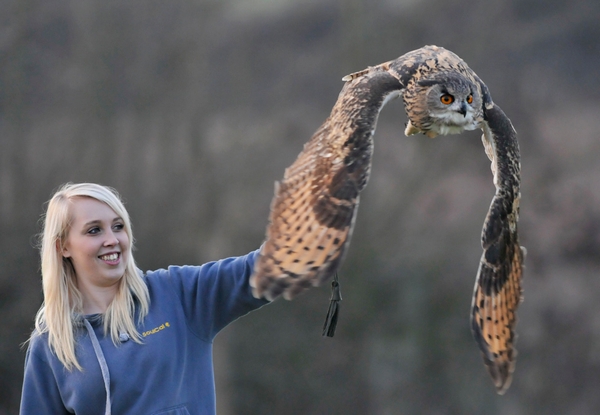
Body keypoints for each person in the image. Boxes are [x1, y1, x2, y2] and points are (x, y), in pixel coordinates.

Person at [20, 182, 270, 414]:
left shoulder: (177, 294)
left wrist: (305, 223)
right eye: (94, 230)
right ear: (63, 247)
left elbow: (261, 268)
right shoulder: (50, 344)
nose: (112, 240)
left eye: (118, 226)